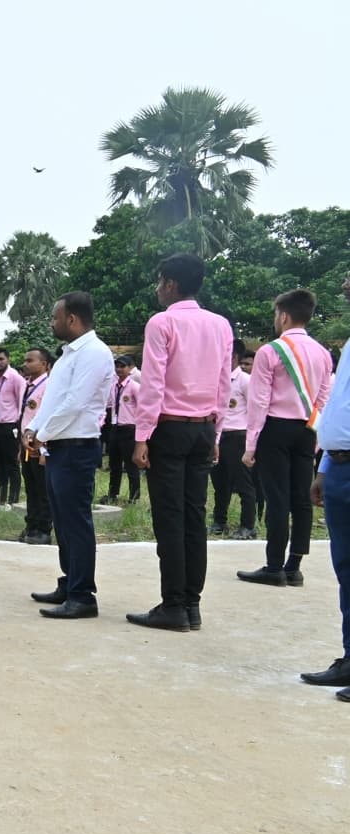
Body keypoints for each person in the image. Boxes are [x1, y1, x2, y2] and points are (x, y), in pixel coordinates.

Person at [127, 253, 233, 632]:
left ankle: (173, 605)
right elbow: (224, 382)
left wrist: (142, 436)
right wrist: (217, 432)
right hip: (204, 427)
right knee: (194, 517)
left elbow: (153, 384)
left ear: (171, 283)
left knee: (170, 518)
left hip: (169, 429)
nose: (157, 288)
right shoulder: (220, 325)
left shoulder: (163, 322)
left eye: (159, 281)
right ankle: (191, 605)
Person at [24, 293, 114, 619]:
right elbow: (53, 401)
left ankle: (83, 595)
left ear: (72, 319)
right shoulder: (67, 356)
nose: (52, 323)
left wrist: (41, 433)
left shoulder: (95, 353)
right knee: (61, 520)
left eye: (55, 317)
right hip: (59, 445)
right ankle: (69, 582)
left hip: (77, 446)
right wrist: (34, 428)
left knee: (76, 522)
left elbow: (75, 403)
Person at [238, 288, 333, 587]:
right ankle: (294, 567)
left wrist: (250, 445)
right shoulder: (323, 353)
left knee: (277, 498)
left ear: (284, 315)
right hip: (307, 430)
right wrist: (317, 438)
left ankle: (274, 566)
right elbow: (323, 399)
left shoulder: (270, 351)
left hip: (275, 429)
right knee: (302, 498)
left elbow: (259, 402)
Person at [300, 272, 350, 701]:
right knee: (347, 569)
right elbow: (337, 409)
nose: (346, 280)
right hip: (340, 467)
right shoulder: (348, 345)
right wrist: (326, 465)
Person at [210, 339, 257, 539]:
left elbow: (255, 411)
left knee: (244, 484)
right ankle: (219, 521)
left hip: (238, 437)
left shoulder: (245, 380)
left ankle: (248, 526)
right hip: (218, 437)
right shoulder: (216, 379)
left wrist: (252, 443)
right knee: (220, 483)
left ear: (234, 357)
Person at [17, 347, 53, 544]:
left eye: (31, 360)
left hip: (40, 445)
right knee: (31, 487)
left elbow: (47, 417)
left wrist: (44, 448)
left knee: (43, 489)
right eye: (25, 360)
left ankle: (43, 528)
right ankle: (31, 525)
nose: (26, 364)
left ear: (45, 364)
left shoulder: (49, 386)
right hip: (26, 444)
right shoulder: (27, 385)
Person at [0, 348, 25, 507]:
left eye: (1, 359)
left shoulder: (15, 378)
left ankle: (13, 499)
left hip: (10, 426)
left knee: (12, 464)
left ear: (7, 359)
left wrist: (19, 427)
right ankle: (0, 499)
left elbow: (21, 403)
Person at [103, 355, 142, 504]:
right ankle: (113, 493)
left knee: (131, 464)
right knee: (114, 463)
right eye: (117, 366)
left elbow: (142, 407)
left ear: (129, 368)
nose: (119, 369)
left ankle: (134, 496)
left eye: (122, 366)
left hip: (129, 428)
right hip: (115, 426)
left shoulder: (134, 386)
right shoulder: (114, 386)